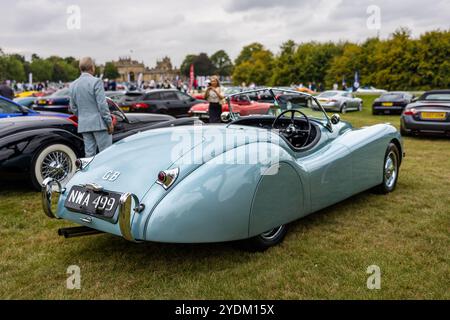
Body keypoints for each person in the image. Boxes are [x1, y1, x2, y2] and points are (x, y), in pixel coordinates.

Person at [69, 57, 114, 157]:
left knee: (89, 155)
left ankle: (91, 173)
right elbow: (102, 105)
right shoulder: (96, 81)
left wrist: (82, 116)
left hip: (84, 124)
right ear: (92, 68)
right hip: (99, 123)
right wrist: (109, 122)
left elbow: (73, 107)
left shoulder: (73, 85)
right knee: (106, 154)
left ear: (80, 68)